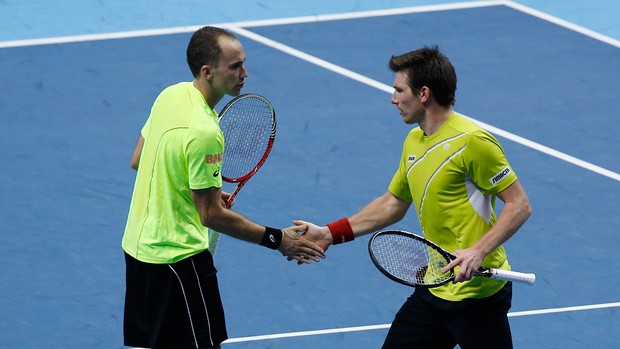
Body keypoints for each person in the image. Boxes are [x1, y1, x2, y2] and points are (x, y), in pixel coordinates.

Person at [296, 46, 532, 348]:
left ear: (423, 93)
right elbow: (392, 204)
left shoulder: (472, 142)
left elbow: (519, 204)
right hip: (434, 285)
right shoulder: (414, 141)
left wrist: (477, 251)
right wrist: (331, 232)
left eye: (398, 90)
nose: (393, 98)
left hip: (476, 295)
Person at [121, 26, 325, 349]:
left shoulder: (169, 96)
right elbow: (210, 215)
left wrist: (202, 189)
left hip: (138, 252)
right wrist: (279, 239)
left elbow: (139, 159)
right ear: (208, 71)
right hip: (179, 260)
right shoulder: (205, 131)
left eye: (243, 63)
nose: (245, 73)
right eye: (235, 66)